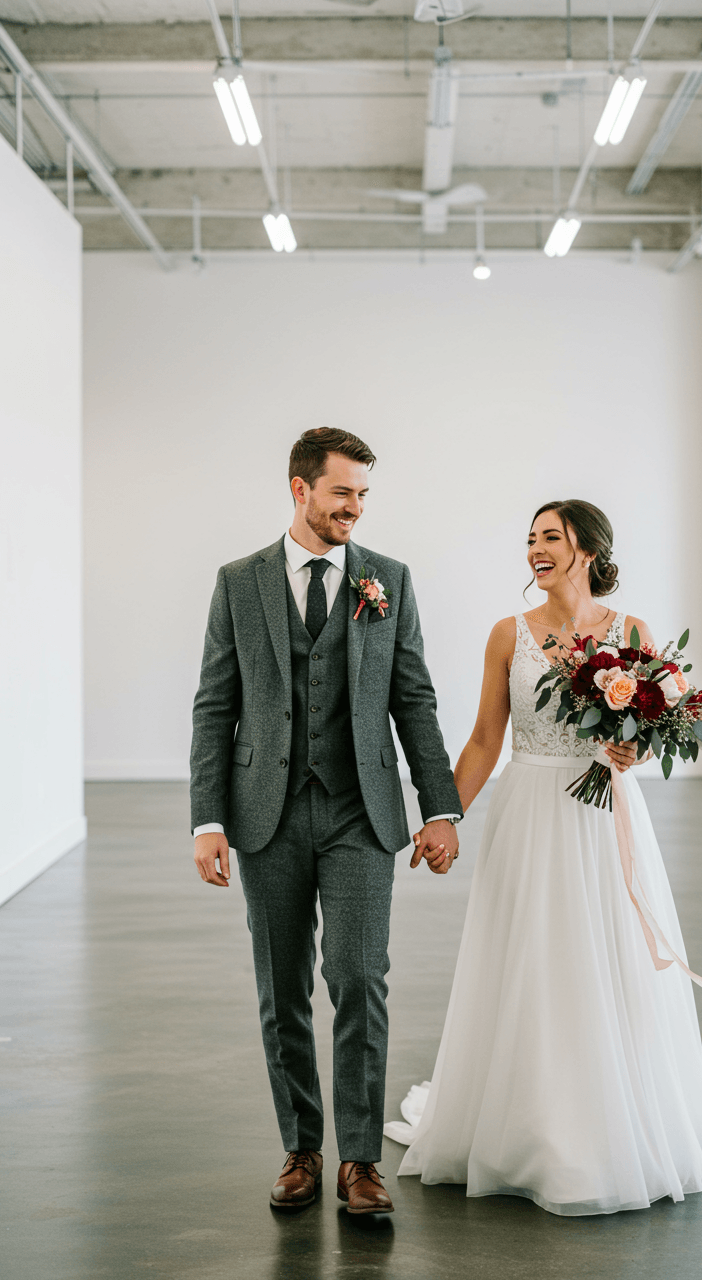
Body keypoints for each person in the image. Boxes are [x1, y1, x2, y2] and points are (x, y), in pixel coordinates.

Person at [392, 499, 702, 1215]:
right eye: (530, 539)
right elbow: (484, 742)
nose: (535, 550)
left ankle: (608, 1118)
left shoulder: (633, 632)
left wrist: (632, 747)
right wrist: (442, 818)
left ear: (586, 549)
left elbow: (655, 730)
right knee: (529, 956)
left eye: (550, 538)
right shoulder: (507, 635)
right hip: (526, 812)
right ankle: (527, 1119)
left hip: (602, 815)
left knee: (607, 954)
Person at [190, 428, 461, 1215]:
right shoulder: (238, 582)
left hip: (361, 813)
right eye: (343, 492)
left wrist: (438, 807)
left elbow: (414, 699)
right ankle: (302, 1150)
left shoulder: (390, 580)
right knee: (282, 990)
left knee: (357, 977)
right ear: (300, 489)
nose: (356, 508)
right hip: (263, 815)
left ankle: (361, 1159)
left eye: (364, 495)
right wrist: (206, 819)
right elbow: (215, 706)